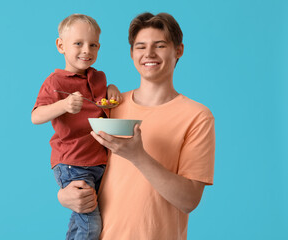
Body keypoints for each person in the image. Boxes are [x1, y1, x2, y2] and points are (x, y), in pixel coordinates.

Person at [57, 12, 215, 240]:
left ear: (178, 50)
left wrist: (138, 156)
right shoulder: (109, 106)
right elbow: (76, 159)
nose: (149, 54)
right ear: (132, 53)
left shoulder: (197, 116)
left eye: (159, 45)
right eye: (140, 47)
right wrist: (64, 195)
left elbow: (189, 200)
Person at [31, 14, 122, 240]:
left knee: (84, 222)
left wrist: (111, 88)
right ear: (61, 45)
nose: (86, 50)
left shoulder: (99, 77)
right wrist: (62, 105)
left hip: (100, 161)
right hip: (73, 162)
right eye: (78, 43)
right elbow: (36, 116)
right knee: (90, 226)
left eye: (93, 45)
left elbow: (104, 103)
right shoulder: (55, 82)